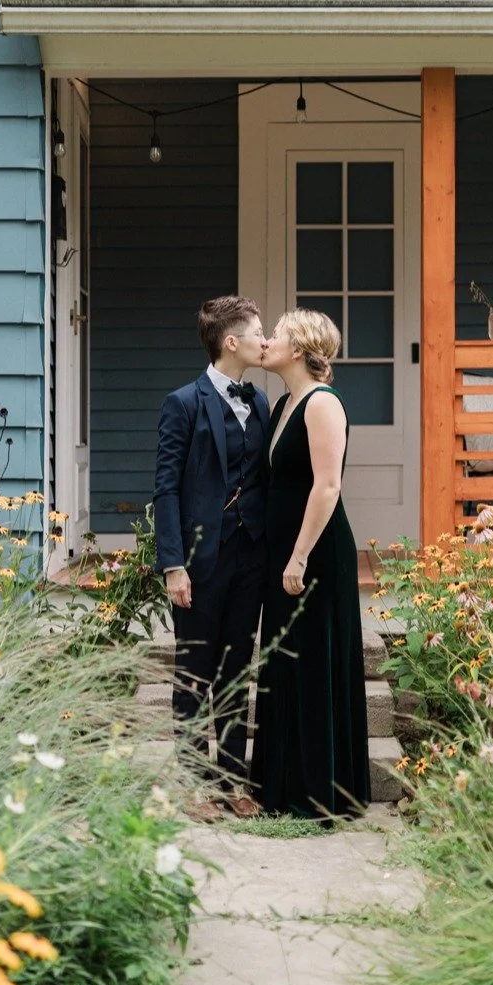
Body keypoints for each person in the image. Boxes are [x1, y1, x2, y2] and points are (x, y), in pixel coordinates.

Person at [250, 309, 370, 819]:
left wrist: (298, 556)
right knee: (284, 662)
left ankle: (321, 792)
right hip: (283, 552)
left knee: (313, 663)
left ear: (298, 349)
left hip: (314, 553)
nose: (266, 342)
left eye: (274, 334)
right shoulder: (283, 404)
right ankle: (281, 786)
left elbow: (327, 485)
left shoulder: (323, 404)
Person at [153, 296, 269, 820]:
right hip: (200, 561)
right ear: (231, 342)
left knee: (237, 670)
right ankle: (194, 786)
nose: (264, 340)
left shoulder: (261, 402)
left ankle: (231, 781)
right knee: (195, 671)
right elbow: (166, 489)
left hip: (250, 556)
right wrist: (173, 564)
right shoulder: (183, 403)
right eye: (257, 332)